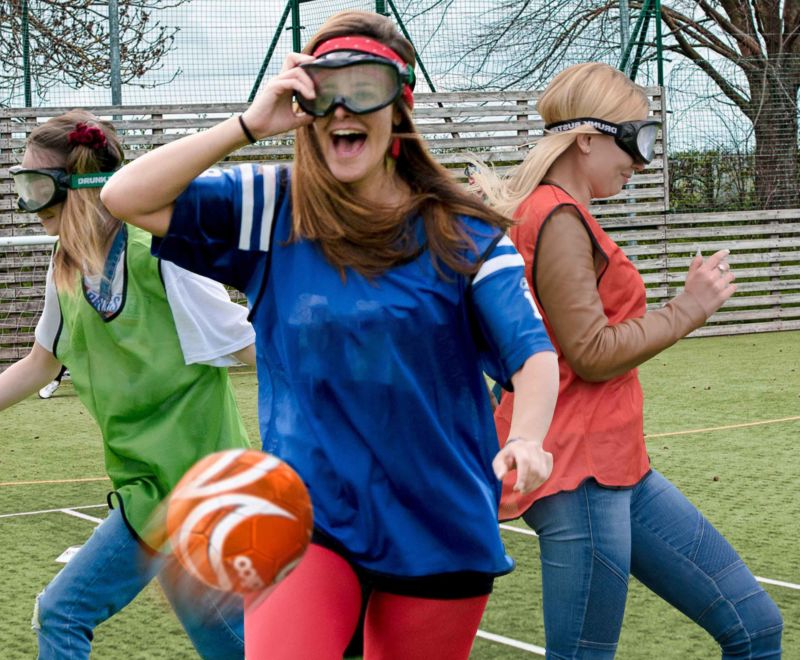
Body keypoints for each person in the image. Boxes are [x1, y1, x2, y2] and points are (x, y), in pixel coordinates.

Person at [101, 10, 559, 659]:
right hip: (305, 518)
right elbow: (124, 196)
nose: (343, 105)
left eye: (364, 86)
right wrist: (248, 125)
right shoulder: (272, 209)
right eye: (324, 87)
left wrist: (529, 440)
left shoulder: (465, 234)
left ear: (400, 107)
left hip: (438, 524)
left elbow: (533, 357)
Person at [474, 62, 784, 658]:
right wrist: (687, 310)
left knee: (755, 625)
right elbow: (590, 353)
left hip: (616, 468)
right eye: (631, 140)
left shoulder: (556, 210)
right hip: (580, 472)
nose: (639, 161)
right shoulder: (558, 217)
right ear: (586, 138)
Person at [0, 110, 255, 660]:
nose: (25, 204)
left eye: (34, 186)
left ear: (74, 188)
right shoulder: (66, 262)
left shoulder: (162, 254)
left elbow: (248, 344)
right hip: (145, 488)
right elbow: (42, 362)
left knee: (63, 613)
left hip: (198, 490)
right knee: (233, 648)